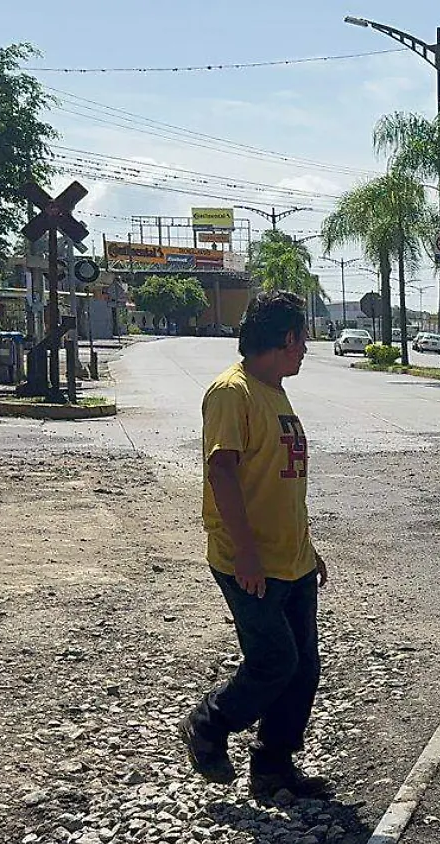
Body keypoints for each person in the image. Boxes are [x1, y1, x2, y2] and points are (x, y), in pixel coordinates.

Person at [179, 290, 334, 803]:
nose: (307, 349)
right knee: (273, 662)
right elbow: (221, 471)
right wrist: (246, 552)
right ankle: (208, 723)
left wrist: (309, 550)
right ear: (288, 338)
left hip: (291, 560)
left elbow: (280, 480)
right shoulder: (233, 392)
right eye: (303, 339)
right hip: (250, 561)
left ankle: (272, 766)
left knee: (303, 668)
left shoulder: (274, 389)